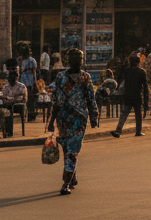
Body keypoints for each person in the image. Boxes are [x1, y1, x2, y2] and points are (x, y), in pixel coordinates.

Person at [47, 49, 98, 196]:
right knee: (65, 147)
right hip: (62, 118)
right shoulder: (60, 77)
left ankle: (66, 183)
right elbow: (56, 100)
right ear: (68, 60)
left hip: (79, 119)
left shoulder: (85, 77)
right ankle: (72, 175)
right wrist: (51, 121)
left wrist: (94, 115)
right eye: (75, 58)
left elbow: (90, 98)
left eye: (80, 58)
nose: (78, 61)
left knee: (73, 150)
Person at [110, 53, 149, 138]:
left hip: (127, 96)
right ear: (138, 62)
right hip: (137, 96)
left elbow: (124, 84)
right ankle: (138, 131)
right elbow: (145, 88)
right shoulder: (141, 72)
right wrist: (146, 101)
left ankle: (118, 130)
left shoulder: (127, 71)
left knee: (124, 114)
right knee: (138, 115)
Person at [0, 67, 27, 137]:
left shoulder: (21, 86)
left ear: (16, 78)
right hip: (7, 103)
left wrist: (10, 99)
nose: (10, 81)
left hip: (18, 105)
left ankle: (9, 132)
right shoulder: (6, 86)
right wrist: (0, 95)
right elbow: (3, 94)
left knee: (9, 108)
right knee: (1, 109)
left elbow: (23, 99)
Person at [18, 45, 38, 121]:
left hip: (29, 81)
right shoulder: (23, 61)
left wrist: (35, 82)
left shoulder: (32, 60)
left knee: (31, 98)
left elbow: (34, 72)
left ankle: (31, 113)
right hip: (24, 81)